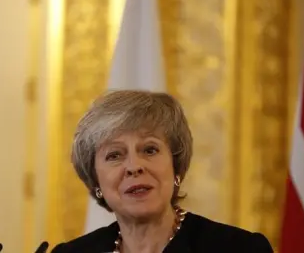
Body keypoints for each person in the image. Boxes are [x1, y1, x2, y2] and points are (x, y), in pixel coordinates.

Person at [51, 90, 273, 253]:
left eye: (149, 150)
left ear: (175, 166)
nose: (134, 166)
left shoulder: (240, 249)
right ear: (97, 181)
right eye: (114, 155)